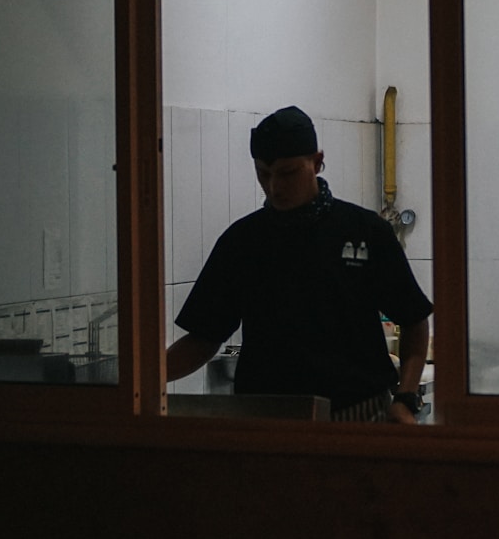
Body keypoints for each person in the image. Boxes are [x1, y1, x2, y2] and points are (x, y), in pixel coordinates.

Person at [166, 106, 434, 423]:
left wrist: (404, 397)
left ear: (318, 162)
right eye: (264, 174)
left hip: (360, 416)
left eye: (288, 172)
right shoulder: (243, 242)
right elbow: (203, 338)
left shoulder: (365, 232)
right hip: (268, 421)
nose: (275, 186)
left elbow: (414, 321)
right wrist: (139, 383)